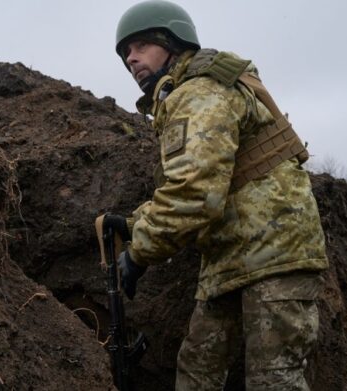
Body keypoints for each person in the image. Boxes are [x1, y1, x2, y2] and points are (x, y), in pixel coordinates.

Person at [105, 1, 329, 389]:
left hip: (274, 253)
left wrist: (139, 251)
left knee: (273, 380)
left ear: (171, 42)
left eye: (140, 46)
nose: (131, 58)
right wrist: (134, 223)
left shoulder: (201, 91)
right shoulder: (185, 94)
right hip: (230, 258)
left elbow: (196, 194)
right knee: (197, 372)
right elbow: (197, 181)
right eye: (125, 53)